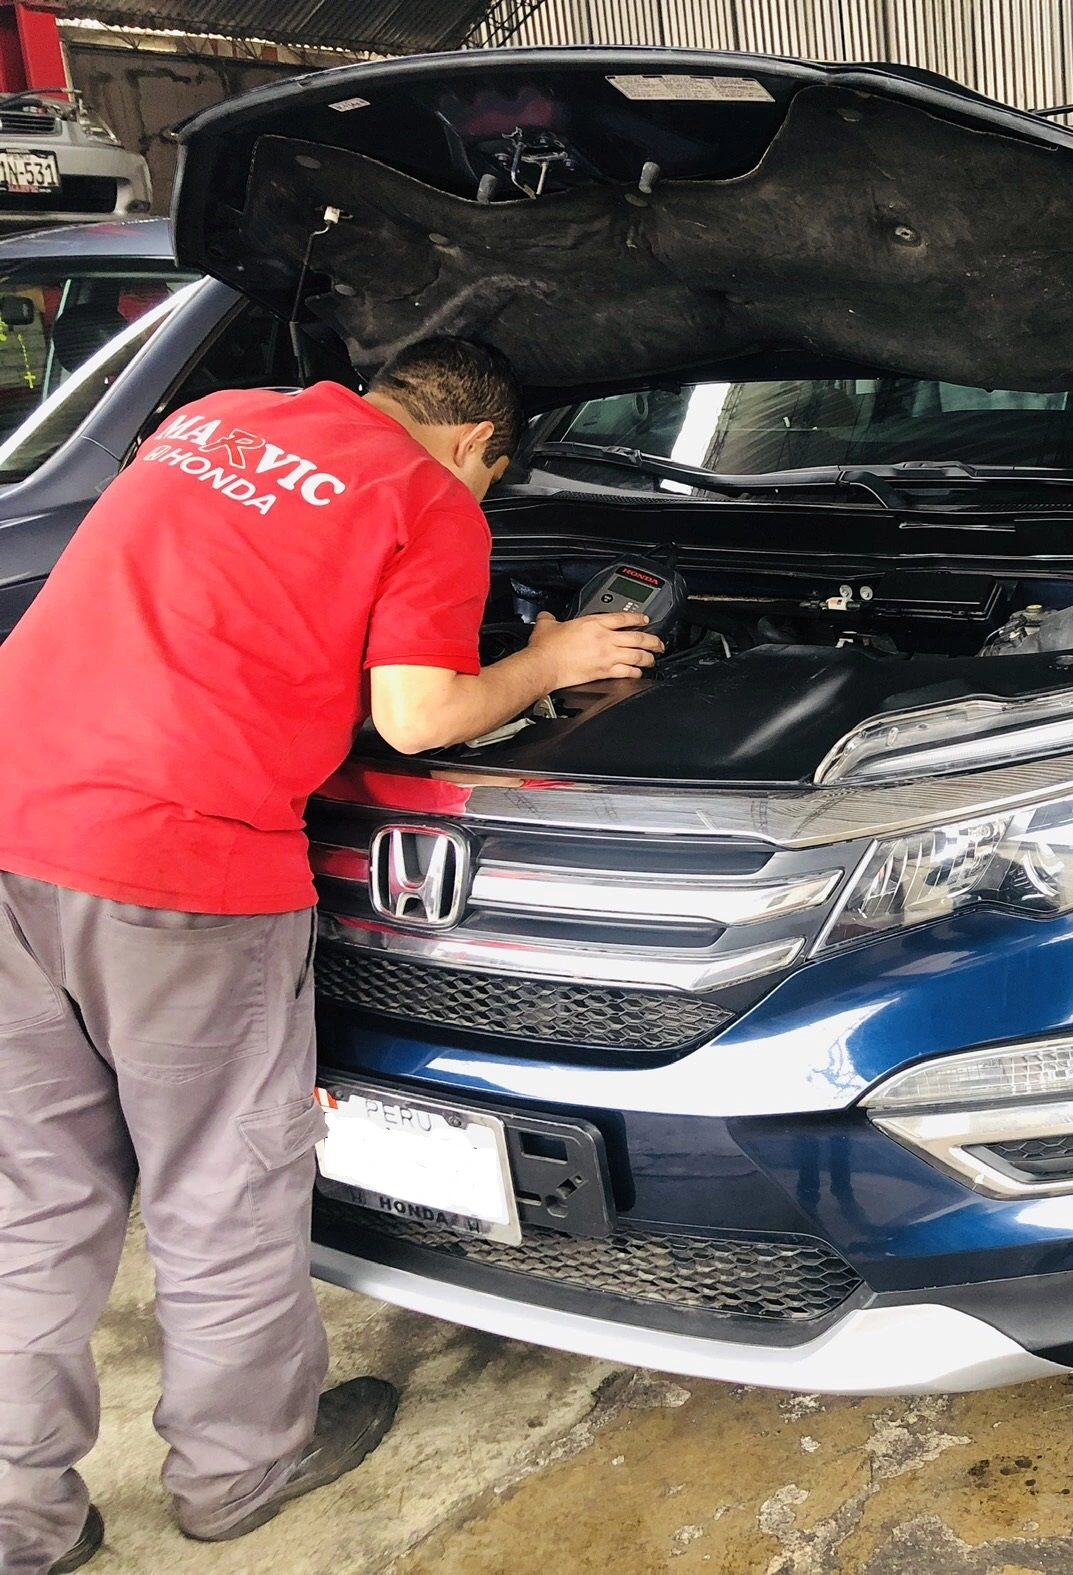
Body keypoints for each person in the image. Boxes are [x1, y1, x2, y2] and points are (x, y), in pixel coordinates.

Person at [0, 336, 662, 1573]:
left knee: (35, 1198)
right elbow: (419, 717)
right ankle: (241, 1471)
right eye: (492, 483)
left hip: (10, 821)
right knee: (220, 1185)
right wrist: (552, 661)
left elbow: (242, 597)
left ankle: (15, 1521)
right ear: (478, 449)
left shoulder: (216, 418)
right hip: (177, 867)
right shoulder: (425, 498)